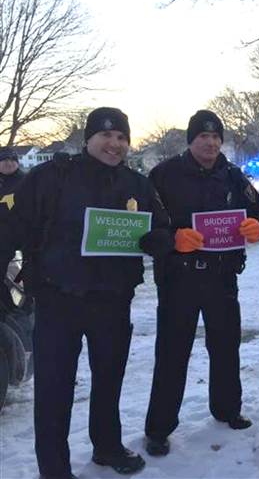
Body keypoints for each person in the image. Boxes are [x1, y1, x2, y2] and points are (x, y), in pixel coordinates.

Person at [0, 107, 172, 479]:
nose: (115, 144)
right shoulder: (52, 176)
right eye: (106, 136)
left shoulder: (137, 185)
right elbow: (11, 227)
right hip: (57, 300)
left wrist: (159, 240)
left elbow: (161, 229)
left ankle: (107, 447)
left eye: (122, 137)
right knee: (54, 389)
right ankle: (54, 469)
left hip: (112, 301)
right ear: (88, 138)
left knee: (109, 378)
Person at [144, 110, 259, 456]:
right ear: (191, 140)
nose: (210, 143)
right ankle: (159, 427)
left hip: (222, 276)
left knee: (226, 346)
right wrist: (171, 239)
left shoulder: (233, 175)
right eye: (203, 137)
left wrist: (255, 226)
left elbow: (254, 211)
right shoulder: (163, 175)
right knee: (172, 352)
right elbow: (145, 228)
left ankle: (227, 408)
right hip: (179, 277)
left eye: (215, 137)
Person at [0, 146, 25, 306]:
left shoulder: (28, 181)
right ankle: (6, 303)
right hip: (3, 236)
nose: (8, 163)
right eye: (4, 160)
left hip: (26, 233)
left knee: (31, 272)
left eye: (12, 159)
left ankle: (30, 301)